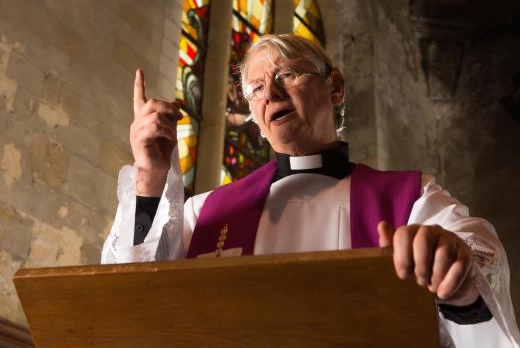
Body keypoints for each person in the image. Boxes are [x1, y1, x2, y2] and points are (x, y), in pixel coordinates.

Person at [102, 34, 520, 347]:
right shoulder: (206, 211)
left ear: (335, 88)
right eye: (257, 88)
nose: (272, 93)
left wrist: (457, 277)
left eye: (287, 73)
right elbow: (130, 298)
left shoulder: (409, 197)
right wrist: (149, 176)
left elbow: (475, 253)